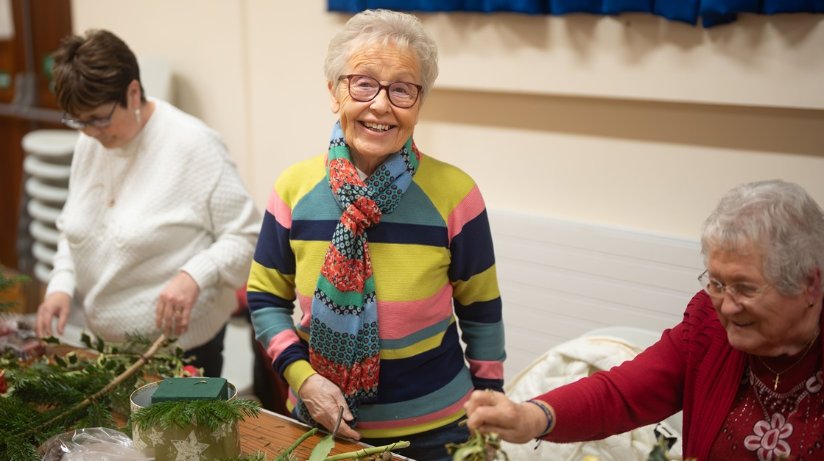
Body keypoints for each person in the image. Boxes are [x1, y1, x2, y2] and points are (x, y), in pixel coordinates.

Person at [246, 9, 505, 460]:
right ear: (334, 92)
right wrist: (302, 379)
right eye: (363, 83)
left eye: (402, 89)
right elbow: (265, 298)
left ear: (419, 103)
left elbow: (481, 311)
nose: (381, 105)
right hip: (319, 423)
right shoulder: (294, 189)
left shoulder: (456, 194)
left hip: (438, 431)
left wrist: (490, 408)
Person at [466, 179, 824, 460]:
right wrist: (530, 418)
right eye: (716, 283)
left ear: (810, 283)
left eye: (745, 288)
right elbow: (622, 393)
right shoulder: (708, 324)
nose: (727, 306)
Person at [35, 29, 260, 378]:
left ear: (134, 92)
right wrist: (61, 285)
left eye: (99, 118)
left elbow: (247, 237)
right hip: (106, 347)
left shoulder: (193, 145)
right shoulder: (91, 142)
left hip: (181, 348)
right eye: (80, 121)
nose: (91, 132)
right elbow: (76, 229)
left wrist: (194, 275)